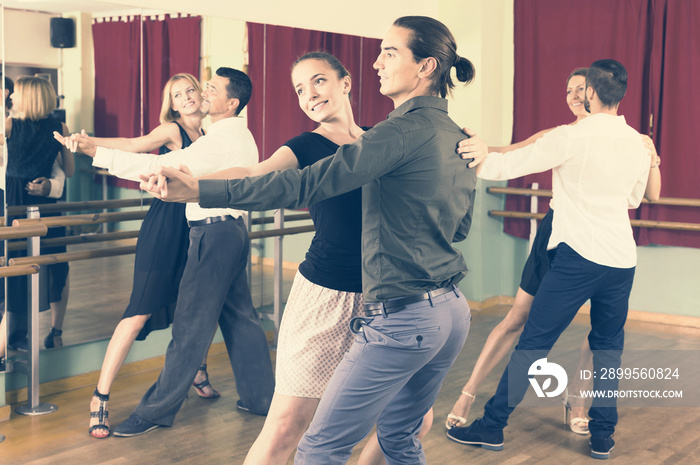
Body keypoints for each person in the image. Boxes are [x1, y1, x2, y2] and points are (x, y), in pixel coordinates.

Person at [143, 16, 480, 465]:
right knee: (297, 428)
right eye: (299, 89)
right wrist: (198, 183)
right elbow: (265, 177)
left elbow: (449, 224)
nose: (377, 62)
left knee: (387, 432)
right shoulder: (400, 135)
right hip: (355, 298)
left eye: (390, 53)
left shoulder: (391, 136)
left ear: (345, 83)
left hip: (392, 302)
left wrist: (477, 157)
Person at [446, 59, 657, 460]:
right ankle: (602, 437)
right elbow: (633, 198)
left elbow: (505, 164)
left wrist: (473, 148)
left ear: (591, 93)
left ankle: (491, 427)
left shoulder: (571, 136)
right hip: (621, 261)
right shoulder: (636, 142)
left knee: (534, 343)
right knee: (608, 348)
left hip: (579, 257)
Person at [56, 67, 275, 437]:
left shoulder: (217, 139)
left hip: (213, 234)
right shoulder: (234, 134)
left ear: (231, 102)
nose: (203, 92)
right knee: (242, 319)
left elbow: (158, 164)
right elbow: (141, 147)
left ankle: (155, 412)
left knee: (190, 325)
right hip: (232, 232)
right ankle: (261, 398)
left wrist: (97, 151)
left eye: (211, 88)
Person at [1, 76, 73, 354]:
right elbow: (69, 170)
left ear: (27, 97)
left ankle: (8, 342)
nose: (11, 98)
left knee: (15, 266)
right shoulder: (61, 127)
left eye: (16, 93)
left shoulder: (10, 125)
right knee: (54, 264)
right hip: (45, 206)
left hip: (16, 200)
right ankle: (51, 332)